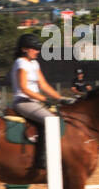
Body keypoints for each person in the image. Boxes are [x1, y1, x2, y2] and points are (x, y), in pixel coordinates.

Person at [9, 32, 66, 170]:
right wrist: (44, 99)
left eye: (38, 48)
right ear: (24, 49)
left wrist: (61, 98)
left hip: (34, 102)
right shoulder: (20, 63)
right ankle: (43, 160)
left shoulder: (34, 63)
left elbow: (44, 85)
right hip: (23, 102)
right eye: (34, 48)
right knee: (50, 119)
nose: (37, 51)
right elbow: (23, 88)